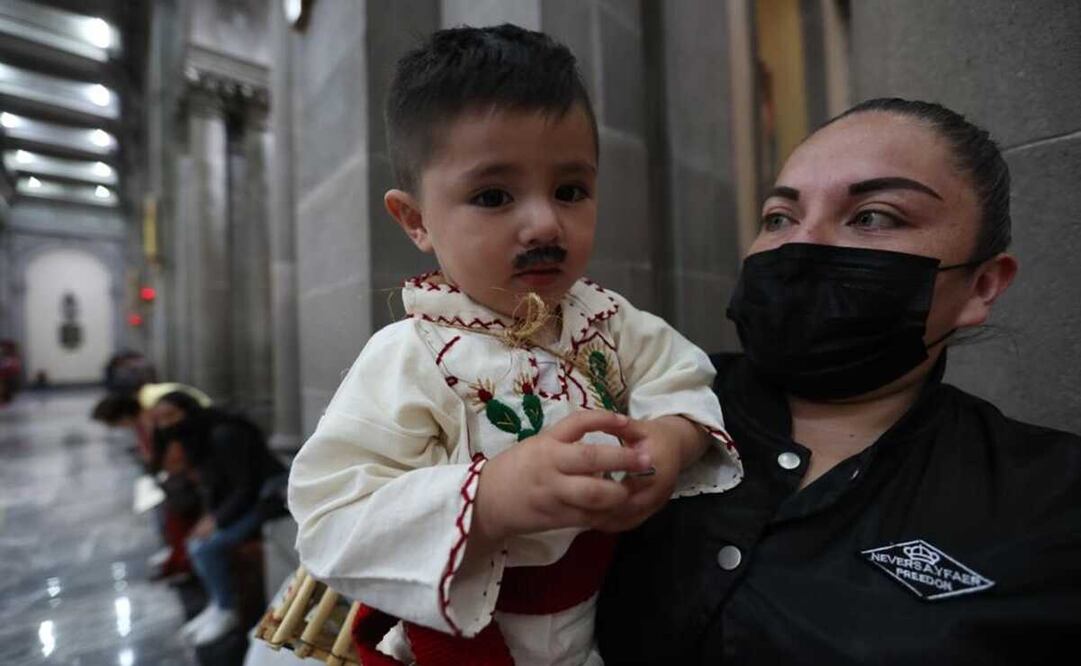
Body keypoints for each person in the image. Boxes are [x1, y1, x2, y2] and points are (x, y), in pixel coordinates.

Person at [287, 24, 742, 666]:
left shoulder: (607, 320)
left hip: (607, 610)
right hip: (470, 636)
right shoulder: (412, 354)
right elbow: (332, 515)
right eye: (494, 196)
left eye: (570, 190)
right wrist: (490, 498)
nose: (545, 223)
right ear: (415, 219)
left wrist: (672, 438)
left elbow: (681, 376)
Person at [596, 98, 1081, 664]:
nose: (803, 244)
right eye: (779, 218)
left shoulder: (1053, 504)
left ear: (981, 286)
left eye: (873, 216)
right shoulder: (625, 409)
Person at [159, 393, 288, 646]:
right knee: (194, 541)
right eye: (160, 419)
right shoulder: (200, 436)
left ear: (188, 412)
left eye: (170, 416)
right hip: (242, 499)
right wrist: (209, 517)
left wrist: (217, 521)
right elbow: (216, 485)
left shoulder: (224, 434)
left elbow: (245, 487)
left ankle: (226, 609)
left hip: (266, 498)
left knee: (206, 547)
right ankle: (217, 603)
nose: (165, 425)